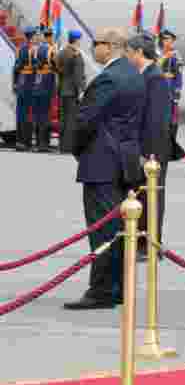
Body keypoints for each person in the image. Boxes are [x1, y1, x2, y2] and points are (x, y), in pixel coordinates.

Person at [65, 28, 146, 310]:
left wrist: (77, 149)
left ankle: (101, 290)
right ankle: (118, 287)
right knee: (120, 230)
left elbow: (85, 120)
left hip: (102, 162)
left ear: (110, 47)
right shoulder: (134, 75)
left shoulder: (108, 79)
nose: (93, 48)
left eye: (96, 44)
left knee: (102, 230)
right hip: (125, 162)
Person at [125, 33, 172, 262]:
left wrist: (147, 153)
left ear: (139, 53)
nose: (127, 56)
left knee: (151, 197)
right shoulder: (144, 75)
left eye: (129, 52)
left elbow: (156, 121)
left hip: (151, 152)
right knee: (141, 196)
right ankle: (141, 241)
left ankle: (151, 244)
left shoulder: (155, 79)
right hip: (142, 149)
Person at [57, 30, 86, 154]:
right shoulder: (76, 54)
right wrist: (83, 89)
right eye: (80, 39)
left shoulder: (62, 52)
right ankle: (69, 147)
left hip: (63, 89)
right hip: (72, 91)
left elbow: (57, 68)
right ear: (77, 40)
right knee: (71, 120)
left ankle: (62, 146)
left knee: (63, 119)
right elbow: (78, 75)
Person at [12, 26, 38, 151]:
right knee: (28, 114)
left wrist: (15, 83)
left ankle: (19, 141)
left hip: (21, 82)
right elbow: (36, 66)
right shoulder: (32, 50)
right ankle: (26, 142)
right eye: (35, 35)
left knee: (20, 113)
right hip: (30, 83)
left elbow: (16, 68)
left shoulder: (20, 49)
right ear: (32, 37)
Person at [31, 28, 57, 152]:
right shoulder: (51, 50)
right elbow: (56, 66)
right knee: (46, 116)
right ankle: (44, 144)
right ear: (50, 37)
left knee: (37, 115)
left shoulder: (35, 49)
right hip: (47, 85)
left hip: (36, 84)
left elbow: (34, 67)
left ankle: (37, 143)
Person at [158, 29, 183, 144]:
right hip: (157, 89)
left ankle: (170, 141)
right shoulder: (157, 54)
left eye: (169, 39)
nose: (166, 42)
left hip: (170, 89)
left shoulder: (175, 56)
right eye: (164, 39)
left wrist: (177, 91)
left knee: (172, 118)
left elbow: (178, 75)